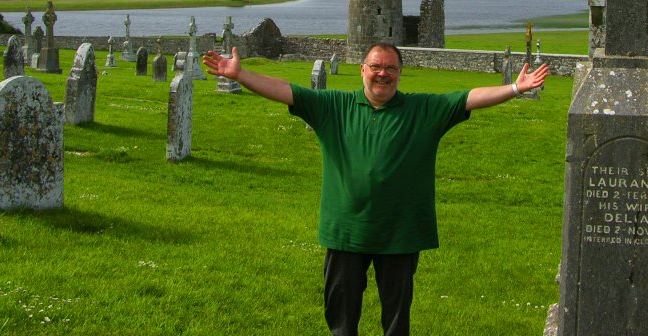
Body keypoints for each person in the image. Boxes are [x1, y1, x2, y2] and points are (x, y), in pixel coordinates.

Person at [202, 42, 549, 336]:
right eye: (375, 66)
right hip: (346, 231)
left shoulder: (422, 109)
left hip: (400, 232)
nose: (382, 74)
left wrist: (516, 88)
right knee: (340, 313)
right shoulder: (333, 107)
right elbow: (285, 90)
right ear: (362, 70)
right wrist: (239, 74)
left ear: (400, 73)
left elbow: (469, 98)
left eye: (391, 68)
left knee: (397, 319)